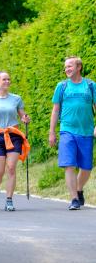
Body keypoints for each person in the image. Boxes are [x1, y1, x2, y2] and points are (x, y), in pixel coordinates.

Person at [49, 56, 96, 210]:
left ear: (79, 67)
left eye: (70, 66)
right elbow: (55, 110)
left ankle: (79, 188)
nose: (67, 69)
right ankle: (74, 199)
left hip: (86, 131)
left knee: (86, 168)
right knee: (69, 164)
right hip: (67, 130)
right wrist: (52, 132)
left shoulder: (90, 85)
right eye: (65, 67)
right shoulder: (61, 86)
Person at [0, 71, 30, 211]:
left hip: (14, 135)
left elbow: (22, 115)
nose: (7, 81)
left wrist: (25, 119)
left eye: (9, 79)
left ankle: (9, 199)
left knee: (11, 167)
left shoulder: (16, 99)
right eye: (4, 79)